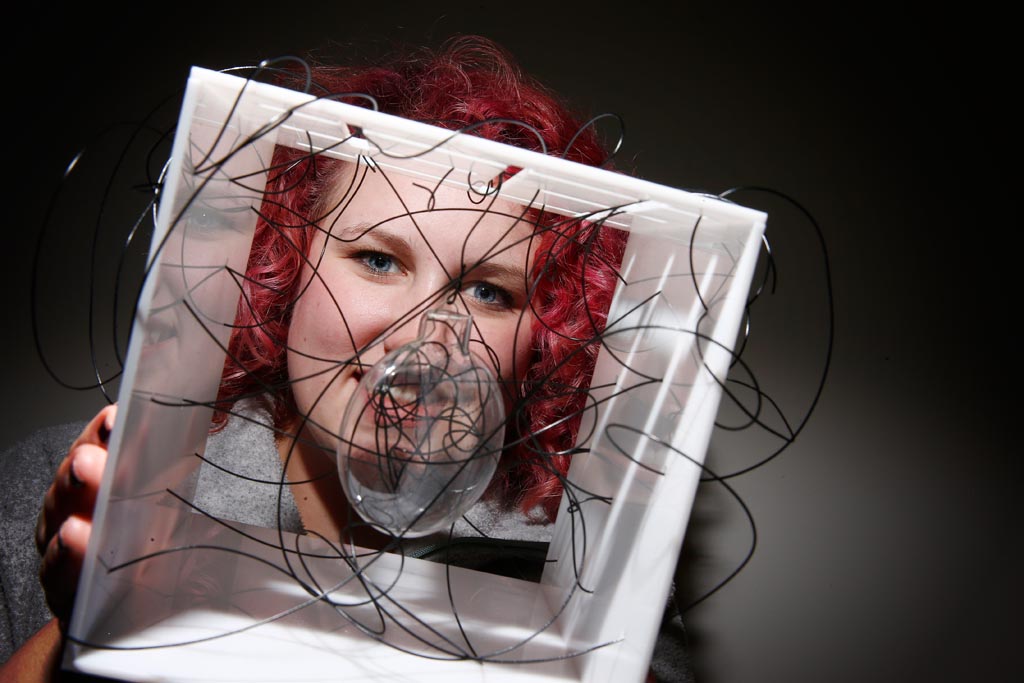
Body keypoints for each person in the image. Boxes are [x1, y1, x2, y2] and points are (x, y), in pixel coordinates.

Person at [1, 36, 693, 682]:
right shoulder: (71, 489)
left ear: (546, 336)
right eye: (379, 259)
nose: (424, 337)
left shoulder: (592, 566)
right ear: (286, 266)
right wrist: (91, 626)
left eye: (488, 291)